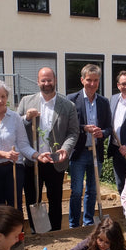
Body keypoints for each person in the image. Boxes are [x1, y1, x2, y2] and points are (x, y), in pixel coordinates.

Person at [17, 67, 79, 231]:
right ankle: (36, 229)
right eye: (43, 80)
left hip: (55, 160)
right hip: (33, 160)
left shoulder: (67, 105)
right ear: (38, 82)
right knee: (32, 198)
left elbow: (73, 132)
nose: (46, 83)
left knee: (55, 199)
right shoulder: (26, 102)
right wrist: (27, 118)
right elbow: (17, 127)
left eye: (49, 80)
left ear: (55, 80)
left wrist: (66, 148)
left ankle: (55, 231)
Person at [0, 80, 39, 214]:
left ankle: (18, 234)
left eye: (3, 96)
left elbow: (23, 144)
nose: (0, 100)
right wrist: (5, 154)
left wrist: (37, 155)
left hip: (14, 167)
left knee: (15, 204)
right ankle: (0, 234)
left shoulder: (15, 117)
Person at [67, 64, 112, 228]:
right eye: (89, 80)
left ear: (99, 81)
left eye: (95, 80)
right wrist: (83, 129)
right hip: (78, 153)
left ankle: (87, 221)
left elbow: (109, 127)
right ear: (82, 80)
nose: (92, 84)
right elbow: (68, 127)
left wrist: (103, 133)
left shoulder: (103, 102)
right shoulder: (71, 100)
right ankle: (73, 223)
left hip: (96, 153)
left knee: (92, 190)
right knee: (77, 191)